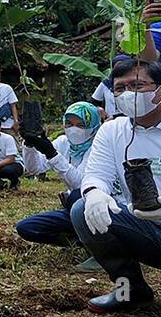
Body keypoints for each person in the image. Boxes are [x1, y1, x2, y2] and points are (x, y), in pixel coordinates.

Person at [71, 58, 161, 313]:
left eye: (137, 86)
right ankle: (130, 289)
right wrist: (95, 193)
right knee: (82, 210)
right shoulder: (112, 131)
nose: (128, 94)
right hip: (143, 225)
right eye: (120, 88)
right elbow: (96, 174)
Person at [16, 102, 106, 268]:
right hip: (76, 209)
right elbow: (35, 168)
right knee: (26, 227)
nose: (74, 129)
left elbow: (82, 183)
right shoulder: (64, 142)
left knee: (76, 195)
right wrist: (30, 144)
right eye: (69, 124)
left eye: (81, 125)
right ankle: (83, 241)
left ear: (93, 125)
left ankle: (104, 249)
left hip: (101, 207)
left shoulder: (100, 145)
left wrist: (52, 153)